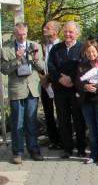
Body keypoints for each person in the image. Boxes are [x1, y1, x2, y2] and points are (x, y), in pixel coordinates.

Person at [0, 23, 45, 164]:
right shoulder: (6, 49)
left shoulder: (34, 45)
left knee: (31, 121)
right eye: (19, 34)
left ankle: (34, 150)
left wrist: (36, 58)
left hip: (32, 88)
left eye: (24, 34)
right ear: (14, 34)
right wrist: (17, 59)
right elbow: (4, 70)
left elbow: (42, 67)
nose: (22, 37)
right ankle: (17, 152)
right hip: (17, 90)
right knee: (17, 122)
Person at [48, 21, 86, 159]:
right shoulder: (56, 48)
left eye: (70, 32)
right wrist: (60, 78)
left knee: (79, 120)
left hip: (75, 89)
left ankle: (81, 148)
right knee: (63, 120)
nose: (67, 34)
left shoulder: (82, 48)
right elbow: (50, 66)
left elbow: (84, 66)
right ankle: (67, 148)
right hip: (60, 90)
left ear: (77, 33)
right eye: (65, 31)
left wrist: (71, 78)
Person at [39, 20, 61, 150]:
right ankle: (53, 140)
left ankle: (64, 139)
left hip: (57, 83)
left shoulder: (61, 46)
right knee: (48, 112)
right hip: (44, 83)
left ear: (56, 31)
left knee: (61, 112)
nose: (44, 30)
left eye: (47, 28)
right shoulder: (41, 46)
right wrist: (42, 78)